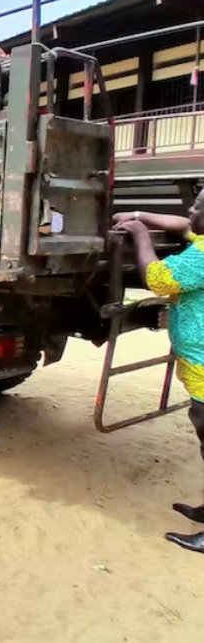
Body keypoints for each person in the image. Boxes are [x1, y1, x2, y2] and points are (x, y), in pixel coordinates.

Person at [115, 202, 204, 554]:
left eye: (199, 204)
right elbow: (183, 224)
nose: (191, 208)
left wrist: (138, 234)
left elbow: (159, 279)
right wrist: (140, 215)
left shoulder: (201, 257)